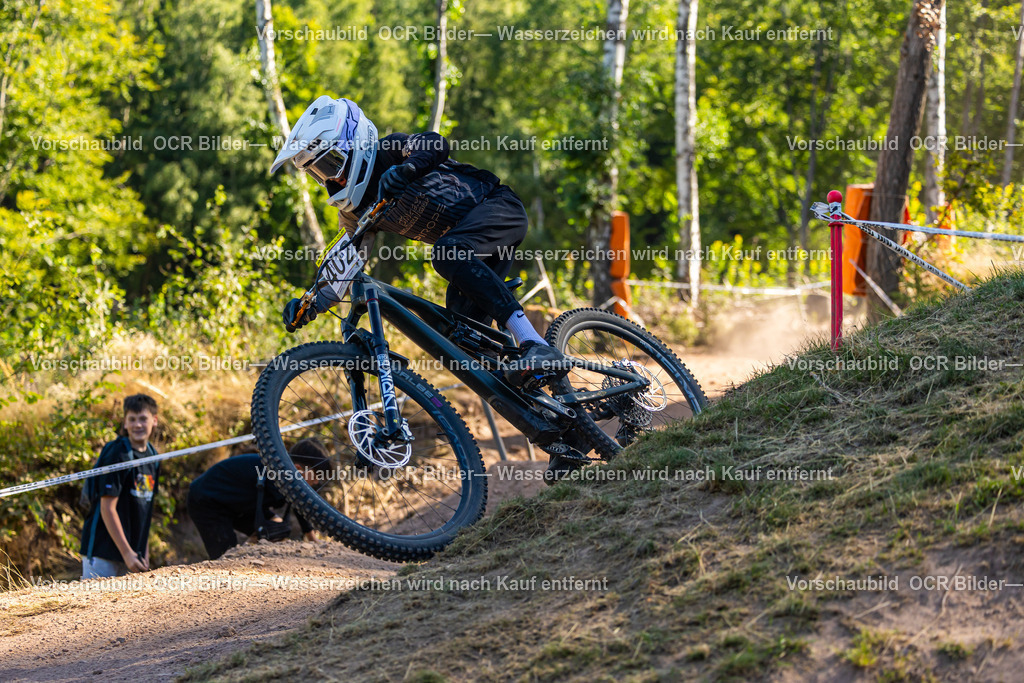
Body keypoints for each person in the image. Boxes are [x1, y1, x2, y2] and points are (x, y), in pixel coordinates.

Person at [270, 95, 568, 386]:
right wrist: (309, 304)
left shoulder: (390, 150)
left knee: (446, 252)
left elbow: (435, 144)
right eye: (318, 175)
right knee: (463, 339)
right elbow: (345, 264)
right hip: (469, 251)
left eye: (330, 165)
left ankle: (534, 342)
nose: (332, 181)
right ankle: (546, 408)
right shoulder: (355, 212)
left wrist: (407, 169)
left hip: (498, 208)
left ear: (354, 143)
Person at [186, 439, 332, 560]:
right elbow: (299, 501)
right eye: (317, 476)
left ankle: (252, 559)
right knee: (224, 554)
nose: (318, 482)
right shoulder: (276, 473)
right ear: (298, 469)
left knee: (275, 529)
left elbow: (298, 503)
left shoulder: (285, 474)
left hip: (238, 504)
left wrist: (313, 539)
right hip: (207, 501)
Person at [80, 394, 161, 579]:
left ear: (154, 421)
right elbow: (107, 508)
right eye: (132, 419)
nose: (137, 425)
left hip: (133, 555)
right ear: (124, 423)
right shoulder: (117, 453)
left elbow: (146, 510)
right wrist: (127, 553)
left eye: (143, 419)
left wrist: (142, 551)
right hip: (104, 553)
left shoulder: (153, 456)